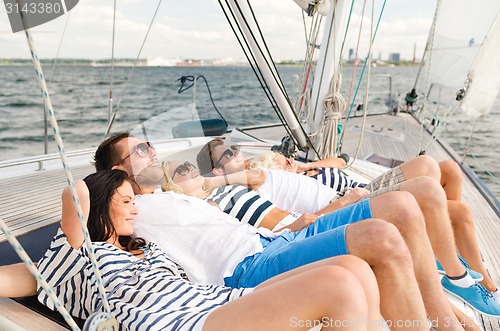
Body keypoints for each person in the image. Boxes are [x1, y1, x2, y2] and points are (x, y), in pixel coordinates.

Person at [95, 132, 483, 330]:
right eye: (141, 149)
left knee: (400, 207)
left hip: (272, 242)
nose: (154, 150)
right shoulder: (127, 210)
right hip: (246, 268)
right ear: (116, 173)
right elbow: (81, 225)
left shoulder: (171, 194)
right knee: (380, 238)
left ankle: (444, 316)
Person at [21, 169, 382, 331]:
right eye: (127, 201)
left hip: (213, 301)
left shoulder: (144, 248)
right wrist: (99, 191)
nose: (135, 209)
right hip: (174, 322)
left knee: (354, 268)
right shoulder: (77, 255)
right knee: (338, 285)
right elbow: (75, 195)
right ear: (100, 208)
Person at [198, 139, 500, 305]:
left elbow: (339, 162)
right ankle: (458, 274)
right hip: (344, 205)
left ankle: (459, 267)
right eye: (226, 154)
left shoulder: (274, 163)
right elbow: (265, 192)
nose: (235, 154)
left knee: (442, 173)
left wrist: (304, 166)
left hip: (351, 190)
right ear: (217, 169)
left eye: (235, 148)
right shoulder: (245, 184)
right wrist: (215, 182)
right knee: (436, 190)